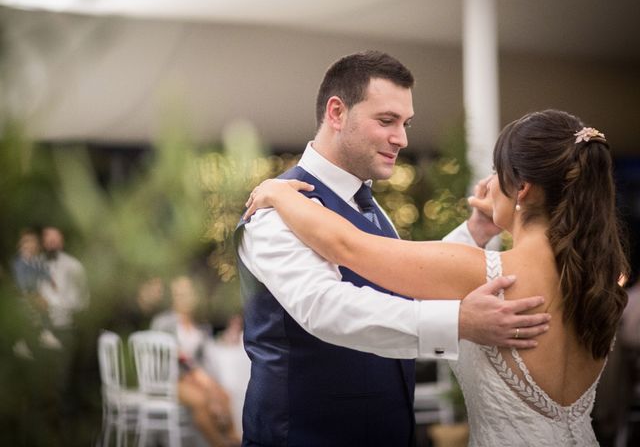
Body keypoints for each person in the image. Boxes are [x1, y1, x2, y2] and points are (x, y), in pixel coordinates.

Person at [244, 109, 629, 445]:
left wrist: (279, 193)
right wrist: (482, 226)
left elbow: (347, 246)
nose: (489, 183)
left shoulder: (484, 274)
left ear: (522, 188)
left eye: (497, 172)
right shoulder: (601, 282)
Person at [235, 50, 551, 446]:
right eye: (386, 121)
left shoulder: (366, 201)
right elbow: (324, 307)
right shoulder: (276, 209)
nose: (402, 138)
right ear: (336, 113)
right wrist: (457, 321)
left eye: (405, 123)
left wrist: (476, 230)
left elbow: (398, 278)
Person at [151, 276, 240, 447]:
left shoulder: (199, 326)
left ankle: (234, 438)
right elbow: (168, 352)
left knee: (224, 395)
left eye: (187, 293)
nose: (183, 298)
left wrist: (209, 383)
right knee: (200, 400)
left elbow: (205, 360)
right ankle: (218, 444)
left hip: (197, 379)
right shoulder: (164, 322)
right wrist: (197, 376)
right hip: (173, 379)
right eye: (179, 293)